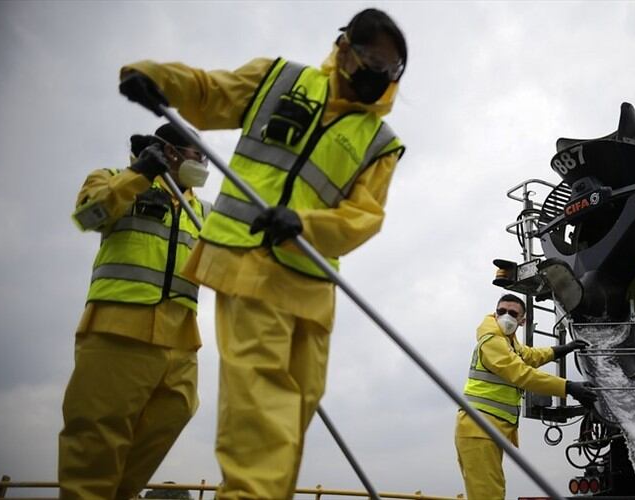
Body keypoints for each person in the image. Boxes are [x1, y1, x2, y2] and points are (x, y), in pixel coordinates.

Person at [118, 8, 407, 499]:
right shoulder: (280, 79)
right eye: (371, 57)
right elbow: (210, 93)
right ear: (343, 48)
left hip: (313, 290)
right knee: (260, 421)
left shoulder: (381, 142)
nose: (380, 72)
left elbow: (365, 217)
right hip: (248, 266)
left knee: (293, 419)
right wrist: (155, 77)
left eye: (391, 66)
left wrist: (306, 224)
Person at [59, 124, 211, 500]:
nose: (204, 164)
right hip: (117, 329)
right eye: (197, 155)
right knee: (96, 439)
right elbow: (87, 216)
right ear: (171, 152)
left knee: (174, 415)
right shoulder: (113, 178)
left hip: (180, 342)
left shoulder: (203, 211)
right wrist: (139, 175)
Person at [455, 293, 598, 500]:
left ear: (522, 321)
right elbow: (521, 373)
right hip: (478, 428)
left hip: (487, 428)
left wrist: (562, 349)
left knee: (493, 490)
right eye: (501, 311)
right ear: (495, 313)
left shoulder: (508, 342)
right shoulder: (492, 341)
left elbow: (530, 356)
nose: (506, 316)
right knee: (487, 495)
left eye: (512, 313)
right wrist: (567, 387)